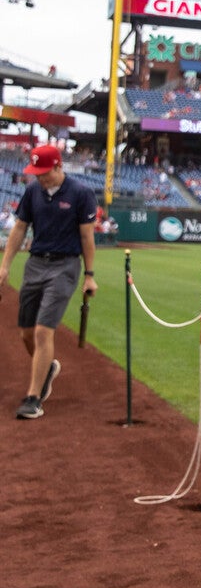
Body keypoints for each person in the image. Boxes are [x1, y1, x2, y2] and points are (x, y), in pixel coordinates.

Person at [0, 145, 98, 419]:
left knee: (44, 331)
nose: (40, 178)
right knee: (26, 333)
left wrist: (89, 275)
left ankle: (33, 397)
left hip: (65, 265)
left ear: (58, 166)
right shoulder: (33, 192)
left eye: (44, 173)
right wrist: (4, 267)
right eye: (36, 173)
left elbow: (87, 237)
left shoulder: (81, 194)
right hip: (35, 264)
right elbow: (20, 228)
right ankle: (48, 367)